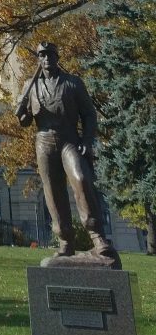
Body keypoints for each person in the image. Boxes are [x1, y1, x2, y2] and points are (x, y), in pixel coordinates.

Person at [16, 41, 116, 261]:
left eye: (50, 54)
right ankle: (65, 240)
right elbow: (25, 121)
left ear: (57, 57)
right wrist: (21, 113)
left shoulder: (73, 83)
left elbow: (89, 114)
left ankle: (97, 236)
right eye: (42, 55)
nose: (46, 59)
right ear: (39, 60)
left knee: (81, 178)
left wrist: (88, 140)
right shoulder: (30, 86)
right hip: (44, 141)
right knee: (53, 191)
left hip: (70, 139)